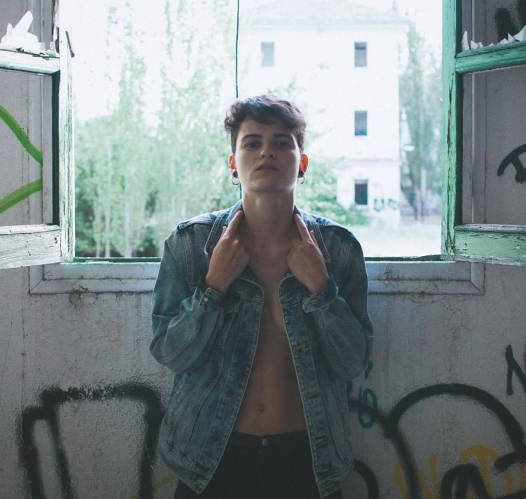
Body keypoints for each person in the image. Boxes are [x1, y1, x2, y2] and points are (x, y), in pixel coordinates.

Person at [150, 95, 373, 499]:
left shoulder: (338, 249)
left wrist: (322, 290)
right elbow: (171, 353)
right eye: (252, 143)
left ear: (303, 163)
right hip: (210, 458)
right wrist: (213, 287)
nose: (267, 151)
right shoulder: (190, 244)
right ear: (233, 163)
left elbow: (352, 362)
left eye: (282, 142)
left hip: (308, 459)